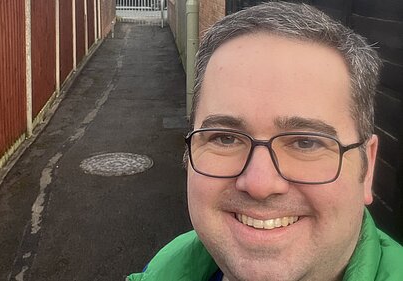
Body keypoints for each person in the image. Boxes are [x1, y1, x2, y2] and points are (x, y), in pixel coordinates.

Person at [127, 2, 403, 281]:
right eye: (226, 138)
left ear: (366, 169)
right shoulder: (163, 269)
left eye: (305, 143)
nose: (259, 184)